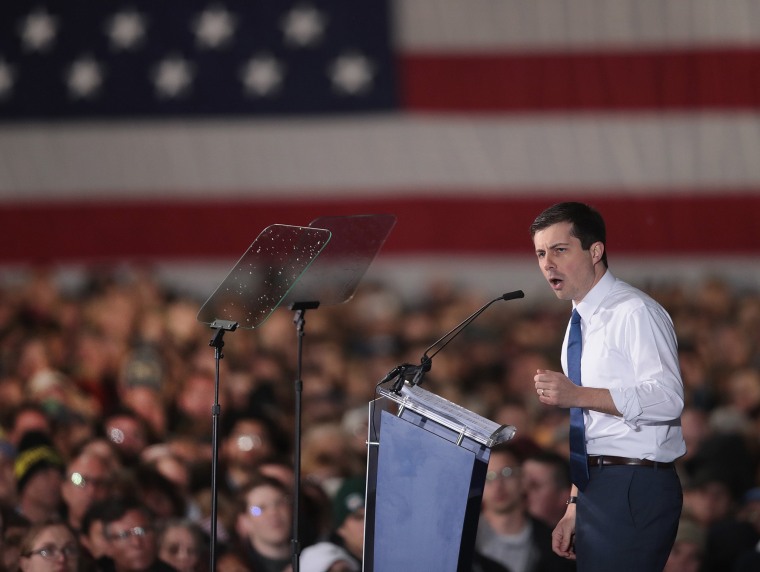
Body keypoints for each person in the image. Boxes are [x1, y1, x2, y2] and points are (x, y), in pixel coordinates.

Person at [530, 202, 685, 571]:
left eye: (559, 250)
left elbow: (668, 398)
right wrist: (574, 504)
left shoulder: (634, 311)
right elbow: (591, 428)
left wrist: (576, 394)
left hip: (634, 482)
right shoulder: (579, 320)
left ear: (595, 251)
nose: (547, 263)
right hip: (596, 485)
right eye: (540, 253)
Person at [475, 443, 575, 572]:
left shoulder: (551, 542)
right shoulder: (462, 537)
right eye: (488, 477)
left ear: (523, 478)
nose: (497, 486)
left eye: (507, 473)